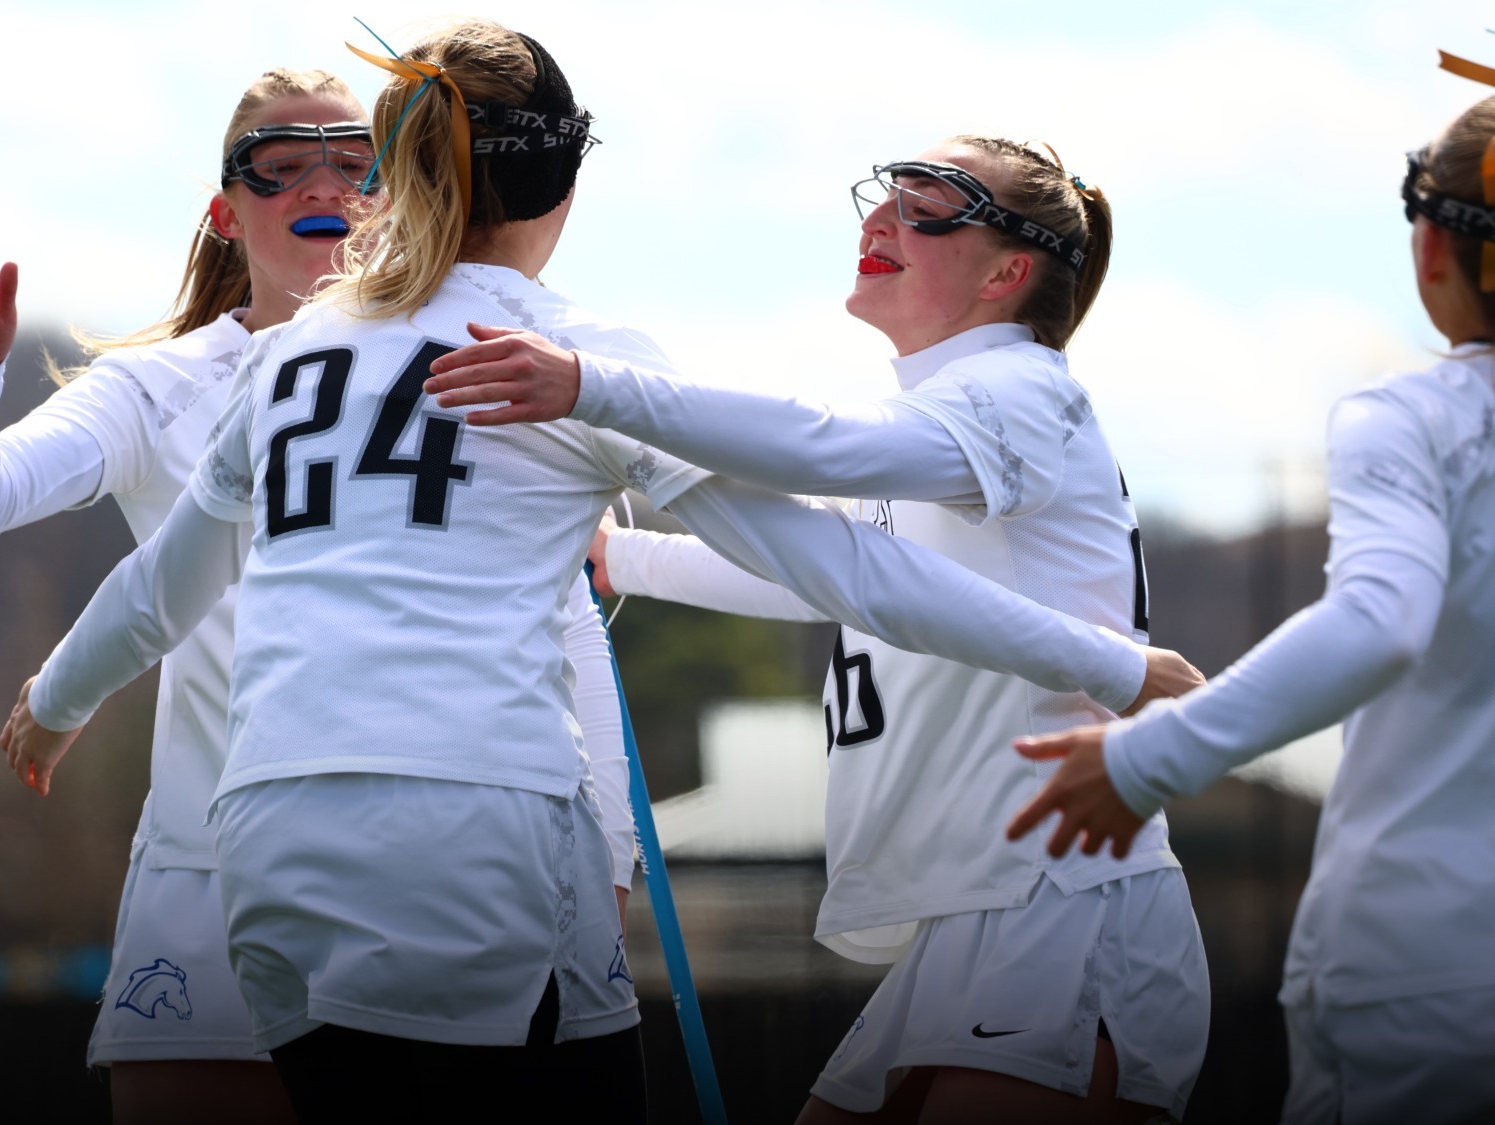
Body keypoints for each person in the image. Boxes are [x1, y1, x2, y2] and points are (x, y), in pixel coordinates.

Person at [3, 21, 1200, 1122]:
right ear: (565, 182)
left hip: (266, 828)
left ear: (399, 173)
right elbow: (839, 564)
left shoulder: (292, 351)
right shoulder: (570, 355)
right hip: (469, 813)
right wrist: (1110, 661)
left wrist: (53, 705)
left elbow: (168, 582)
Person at [0, 69, 657, 1125]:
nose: (320, 179)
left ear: (400, 190)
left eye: (355, 157)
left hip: (427, 854)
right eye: (278, 161)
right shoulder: (161, 383)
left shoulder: (484, 360)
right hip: (211, 858)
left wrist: (610, 855)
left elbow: (567, 625)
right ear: (225, 210)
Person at [425, 140, 1211, 1122]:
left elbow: (828, 453)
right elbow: (818, 570)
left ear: (1009, 270)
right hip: (976, 917)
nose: (878, 221)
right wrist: (623, 560)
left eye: (930, 208)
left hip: (1059, 901)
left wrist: (594, 385)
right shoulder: (945, 414)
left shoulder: (1019, 391)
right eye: (883, 196)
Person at [1006, 87, 1495, 1125]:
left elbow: (1378, 621)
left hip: (1428, 976)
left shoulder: (1414, 418)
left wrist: (1149, 758)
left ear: (1428, 250)